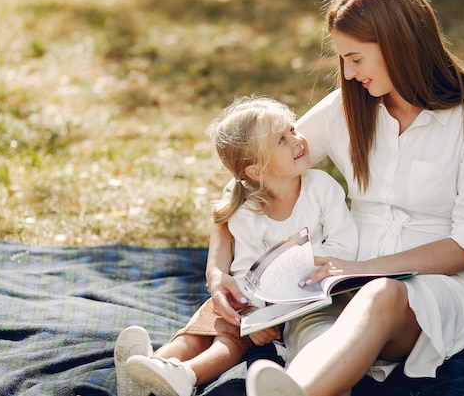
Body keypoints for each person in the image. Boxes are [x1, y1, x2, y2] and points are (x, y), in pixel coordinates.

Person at [205, 0, 464, 396]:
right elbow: (246, 180)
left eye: (356, 58)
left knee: (381, 293)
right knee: (313, 325)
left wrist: (363, 270)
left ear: (398, 45)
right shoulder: (345, 108)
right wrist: (217, 270)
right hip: (334, 283)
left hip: (424, 289)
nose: (348, 73)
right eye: (344, 60)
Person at [113, 96, 358, 396]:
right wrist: (250, 309)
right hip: (252, 302)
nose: (298, 140)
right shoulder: (247, 206)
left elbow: (345, 245)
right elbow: (244, 269)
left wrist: (302, 270)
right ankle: (149, 367)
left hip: (302, 302)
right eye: (282, 139)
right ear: (256, 171)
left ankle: (186, 374)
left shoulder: (321, 189)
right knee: (200, 331)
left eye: (292, 130)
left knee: (228, 340)